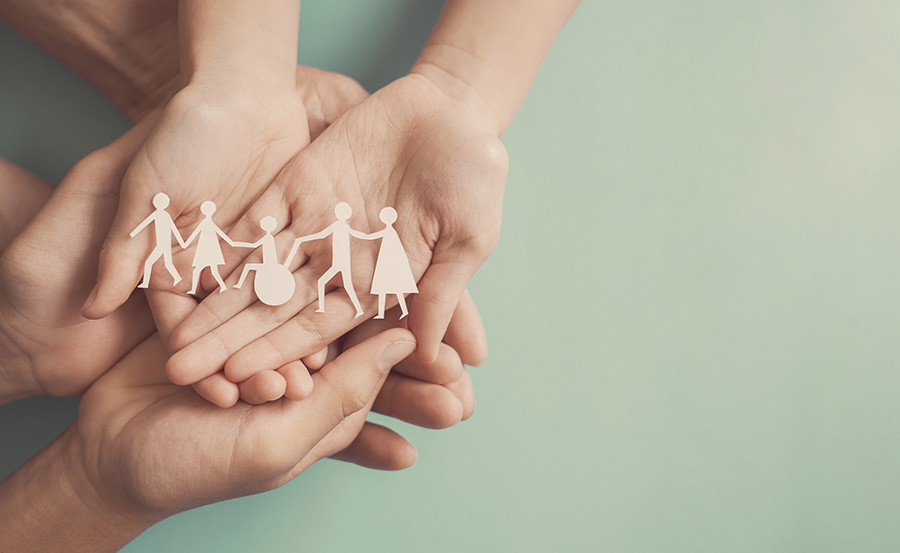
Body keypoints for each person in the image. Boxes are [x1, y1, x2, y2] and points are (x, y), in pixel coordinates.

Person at [288, 201, 367, 318]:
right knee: (332, 283)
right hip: (339, 262)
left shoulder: (342, 227)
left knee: (344, 285)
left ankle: (356, 309)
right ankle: (324, 307)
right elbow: (321, 235)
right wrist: (304, 239)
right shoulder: (341, 226)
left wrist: (373, 236)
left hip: (342, 262)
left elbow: (321, 235)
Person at [358, 207, 419, 320]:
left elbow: (370, 236)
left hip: (387, 264)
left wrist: (356, 234)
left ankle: (399, 311)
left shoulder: (389, 232)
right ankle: (395, 311)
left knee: (385, 289)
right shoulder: (392, 232)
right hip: (388, 263)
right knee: (391, 290)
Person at [233, 215, 296, 306]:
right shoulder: (270, 237)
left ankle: (239, 284)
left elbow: (254, 245)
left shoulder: (267, 238)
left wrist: (237, 243)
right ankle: (238, 284)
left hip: (268, 264)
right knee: (248, 266)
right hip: (270, 263)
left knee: (248, 266)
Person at [130, 192, 186, 288]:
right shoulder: (161, 214)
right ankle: (177, 278)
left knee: (149, 262)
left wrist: (182, 243)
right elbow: (145, 223)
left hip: (162, 244)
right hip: (164, 244)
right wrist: (133, 233)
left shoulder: (161, 215)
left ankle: (147, 282)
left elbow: (173, 229)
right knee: (167, 264)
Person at [182, 200, 234, 295]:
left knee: (204, 271)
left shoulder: (206, 223)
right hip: (208, 249)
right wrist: (230, 242)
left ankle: (221, 286)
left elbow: (196, 233)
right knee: (211, 271)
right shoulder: (208, 223)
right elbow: (219, 233)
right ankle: (221, 286)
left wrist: (186, 243)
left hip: (207, 250)